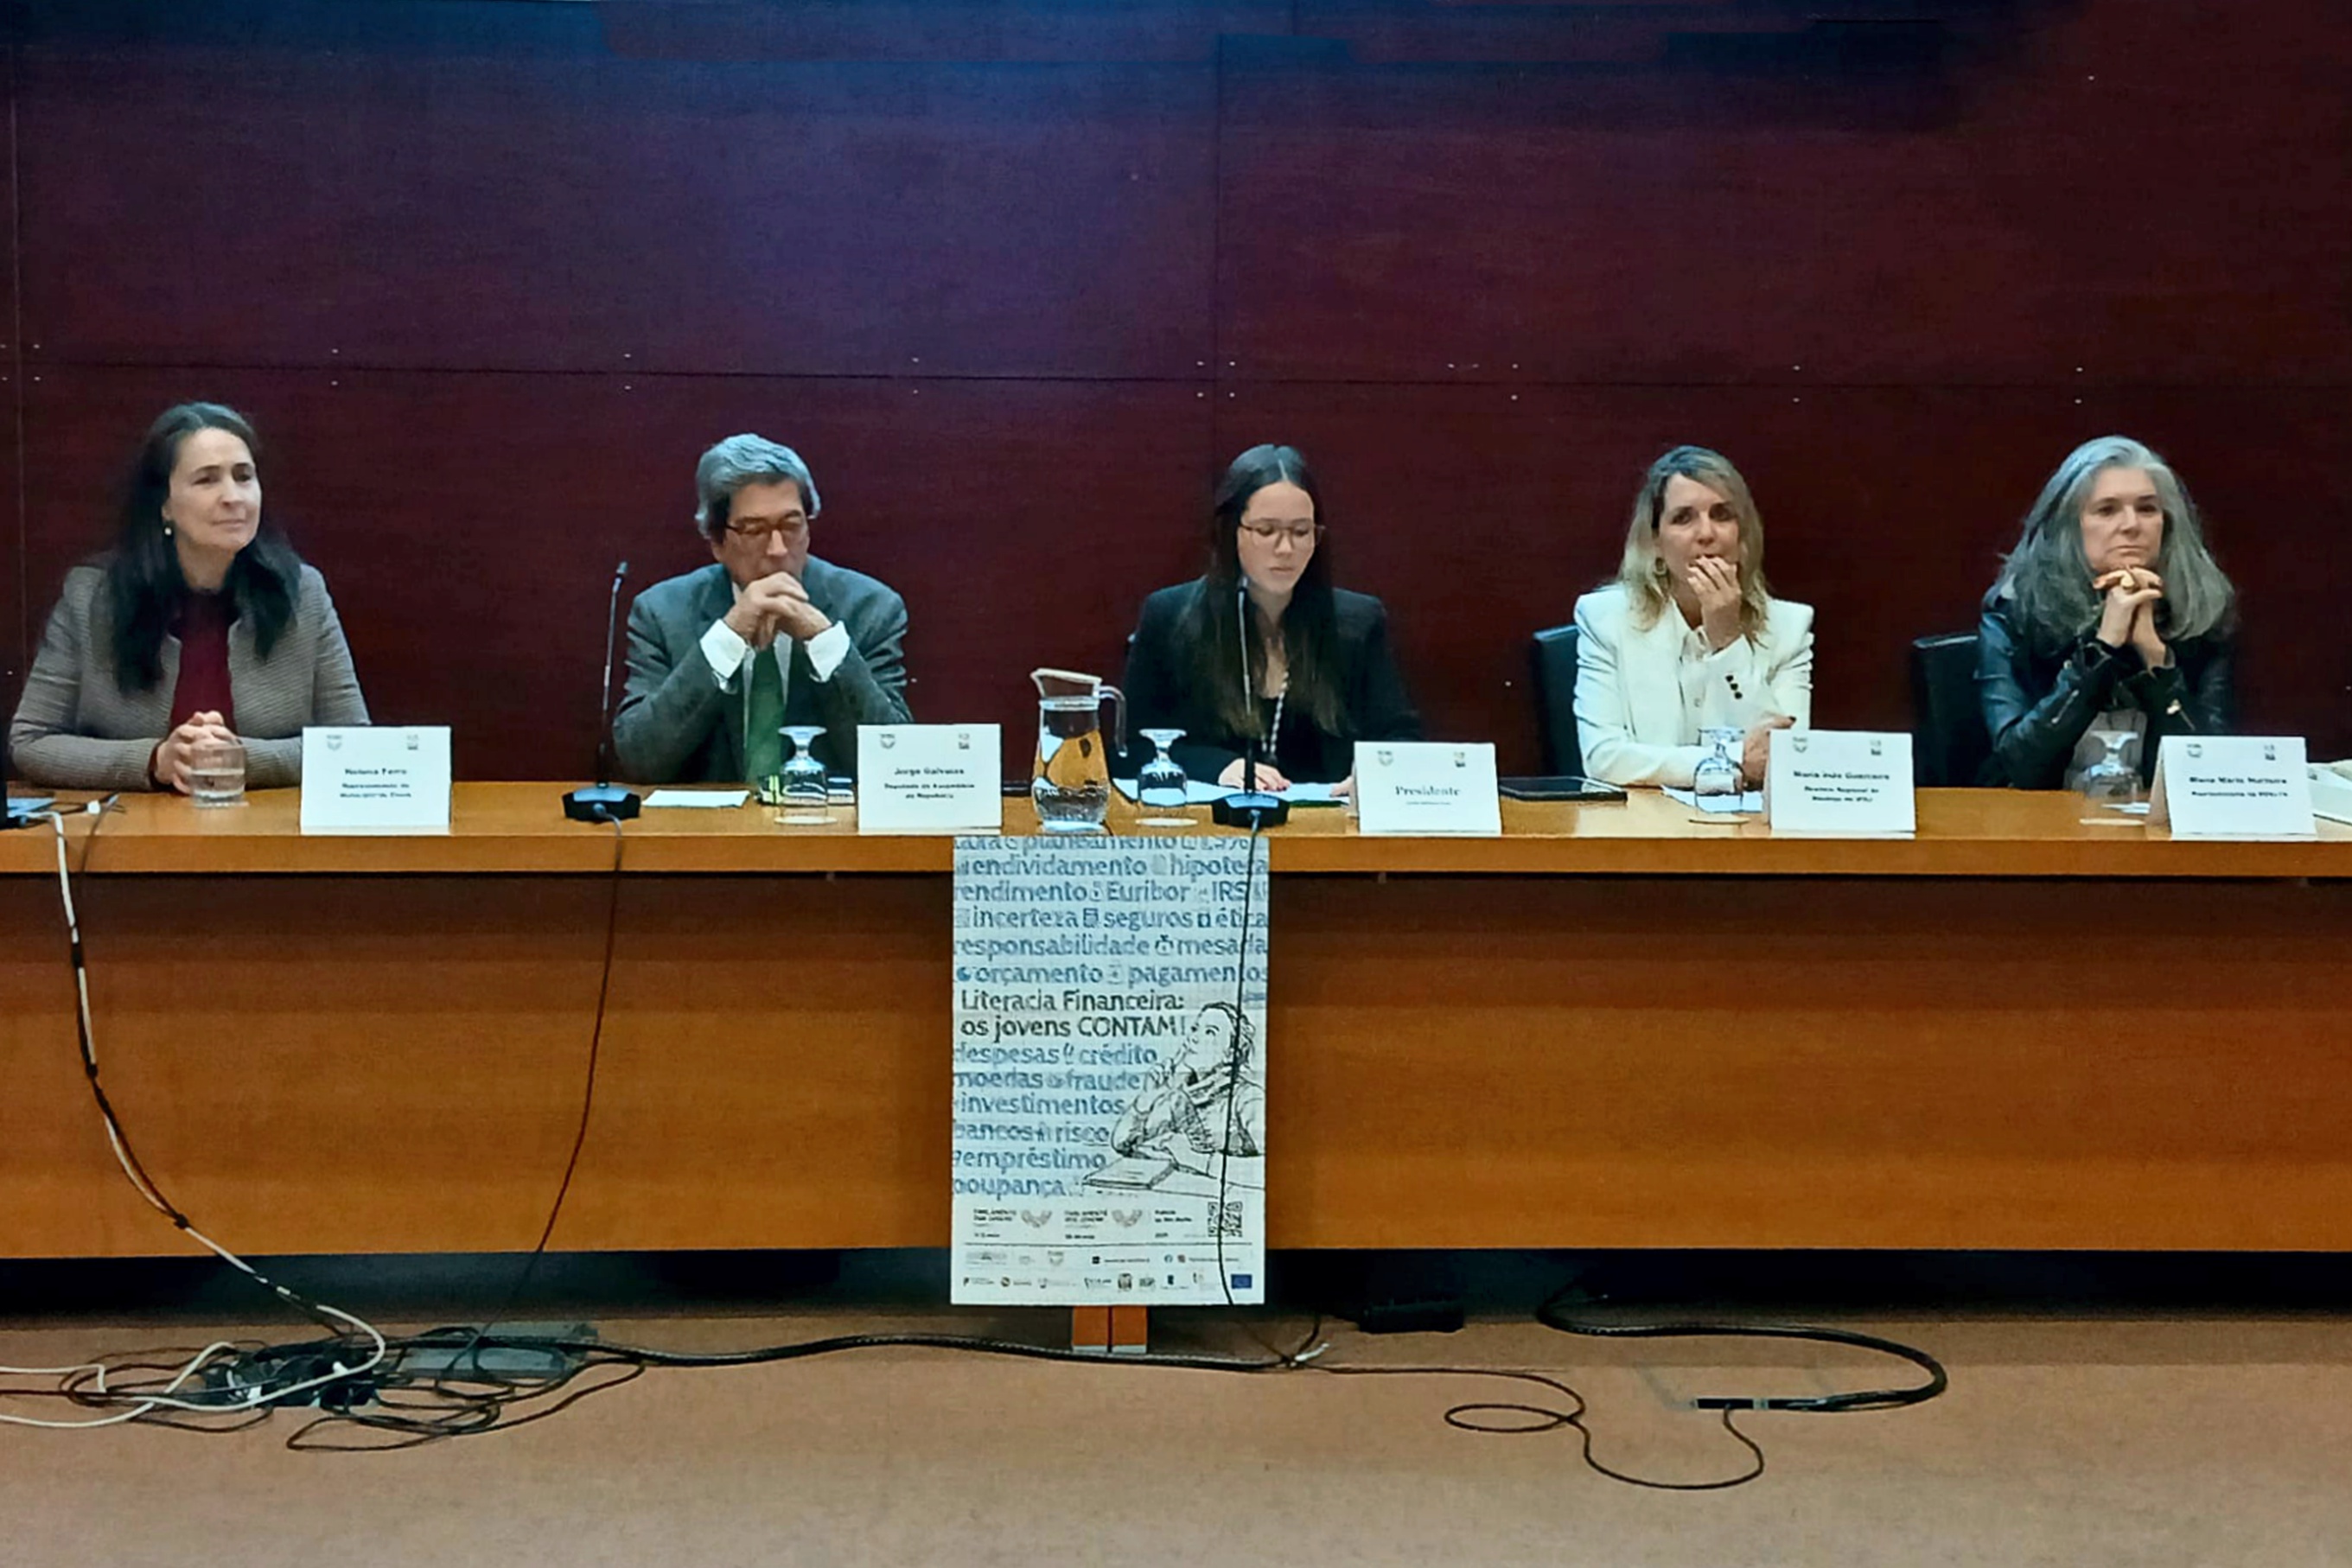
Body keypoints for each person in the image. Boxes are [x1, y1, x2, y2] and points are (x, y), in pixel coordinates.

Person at [8, 403, 367, 793]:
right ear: (164, 505)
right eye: (206, 480)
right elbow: (31, 742)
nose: (234, 497)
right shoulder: (92, 597)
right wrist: (155, 760)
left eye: (244, 477)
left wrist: (245, 759)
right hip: (134, 839)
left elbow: (356, 746)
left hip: (267, 836)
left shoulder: (302, 593)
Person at [612, 435, 910, 784]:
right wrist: (728, 636)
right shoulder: (663, 613)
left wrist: (822, 640)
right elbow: (639, 761)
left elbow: (897, 767)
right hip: (707, 835)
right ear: (717, 542)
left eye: (791, 525)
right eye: (755, 530)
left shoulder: (870, 609)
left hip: (824, 831)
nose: (778, 549)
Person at [1123, 443, 1420, 792]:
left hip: (1328, 829)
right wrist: (1217, 767)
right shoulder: (1170, 616)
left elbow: (1401, 738)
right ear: (1231, 531)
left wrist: (1374, 777)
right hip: (1218, 831)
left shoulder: (1358, 622)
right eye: (1266, 531)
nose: (1285, 549)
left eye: (1300, 532)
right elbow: (1130, 749)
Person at [1976, 436, 2234, 789]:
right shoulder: (2015, 613)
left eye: (2147, 509)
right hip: (2038, 826)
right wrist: (2103, 648)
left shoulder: (2202, 614)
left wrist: (2157, 659)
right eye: (2107, 510)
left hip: (2158, 834)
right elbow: (2020, 766)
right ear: (2070, 526)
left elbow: (2212, 779)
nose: (2131, 525)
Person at [1572, 445, 1813, 788]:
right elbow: (1604, 759)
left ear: (1742, 536)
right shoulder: (1605, 620)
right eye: (1683, 518)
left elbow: (1789, 761)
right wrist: (1730, 761)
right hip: (1641, 830)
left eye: (1722, 515)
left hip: (1748, 834)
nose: (1706, 534)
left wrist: (1727, 642)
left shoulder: (1789, 629)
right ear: (1655, 540)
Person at [1108, 1003, 1266, 1171]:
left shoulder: (1248, 1097)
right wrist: (1146, 1101)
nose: (1194, 1038)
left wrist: (1192, 1157)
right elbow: (1122, 1144)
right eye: (1195, 1029)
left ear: (1230, 1054)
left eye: (1210, 1032)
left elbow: (1269, 1168)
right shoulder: (1178, 1099)